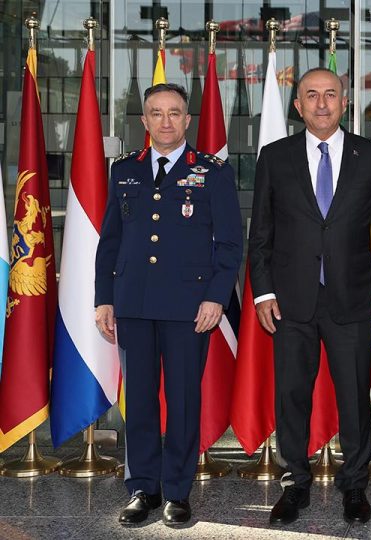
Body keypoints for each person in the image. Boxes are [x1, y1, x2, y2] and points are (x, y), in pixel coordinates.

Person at [247, 67, 371, 526]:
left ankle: (355, 486)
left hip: (353, 297)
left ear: (344, 102)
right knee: (292, 394)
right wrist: (263, 292)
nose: (321, 103)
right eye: (311, 95)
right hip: (291, 300)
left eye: (330, 94)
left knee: (353, 396)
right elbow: (261, 233)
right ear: (298, 106)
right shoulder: (275, 157)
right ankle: (296, 482)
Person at [94, 83, 243, 527]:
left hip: (188, 306)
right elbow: (110, 240)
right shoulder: (125, 170)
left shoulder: (212, 172)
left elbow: (230, 243)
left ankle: (177, 491)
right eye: (156, 113)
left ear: (187, 120)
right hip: (134, 303)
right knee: (139, 401)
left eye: (174, 113)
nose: (165, 121)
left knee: (181, 401)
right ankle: (143, 488)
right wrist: (104, 299)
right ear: (144, 121)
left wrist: (216, 297)